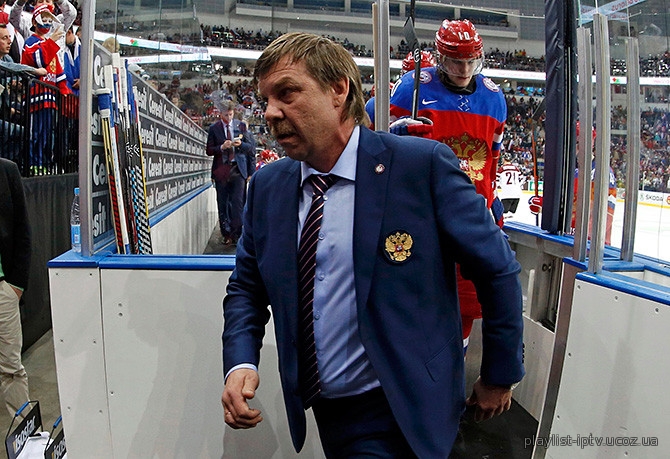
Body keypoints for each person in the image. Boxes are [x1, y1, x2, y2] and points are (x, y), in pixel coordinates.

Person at [221, 32, 524, 458]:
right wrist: (240, 363)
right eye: (266, 99)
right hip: (327, 408)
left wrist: (499, 373)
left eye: (287, 93)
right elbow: (247, 288)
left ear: (338, 90)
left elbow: (497, 268)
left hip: (404, 408)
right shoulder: (269, 186)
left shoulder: (420, 167)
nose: (270, 112)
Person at [381, 19, 508, 349]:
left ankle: (454, 367)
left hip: (472, 216)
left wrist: (493, 200)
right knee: (414, 301)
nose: (464, 70)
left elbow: (492, 160)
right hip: (422, 214)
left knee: (467, 304)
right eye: (455, 61)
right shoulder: (411, 88)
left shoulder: (494, 98)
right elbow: (377, 150)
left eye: (471, 61)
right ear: (440, 58)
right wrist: (395, 134)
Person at [0, 157, 31, 418]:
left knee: (11, 367)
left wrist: (16, 286)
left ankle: (25, 433)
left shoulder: (7, 170)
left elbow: (23, 230)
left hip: (4, 290)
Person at [20, 4, 68, 172]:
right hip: (35, 97)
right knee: (35, 133)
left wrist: (64, 89)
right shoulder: (31, 42)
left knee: (47, 134)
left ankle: (44, 164)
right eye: (44, 19)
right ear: (34, 21)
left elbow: (58, 70)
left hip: (49, 98)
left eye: (49, 20)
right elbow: (39, 60)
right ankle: (32, 164)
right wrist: (51, 42)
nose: (47, 23)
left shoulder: (48, 44)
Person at [206, 100, 255, 245]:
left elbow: (250, 148)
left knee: (238, 203)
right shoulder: (214, 129)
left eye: (231, 114)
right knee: (223, 203)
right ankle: (226, 233)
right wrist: (221, 147)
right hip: (222, 170)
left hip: (238, 169)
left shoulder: (241, 126)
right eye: (226, 115)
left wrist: (241, 145)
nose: (229, 117)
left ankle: (237, 234)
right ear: (220, 114)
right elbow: (209, 150)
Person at [497, 153, 525, 219]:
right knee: (511, 215)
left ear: (503, 159)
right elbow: (522, 180)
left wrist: (501, 185)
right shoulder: (516, 169)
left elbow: (496, 181)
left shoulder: (501, 169)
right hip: (517, 194)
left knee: (503, 215)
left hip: (506, 194)